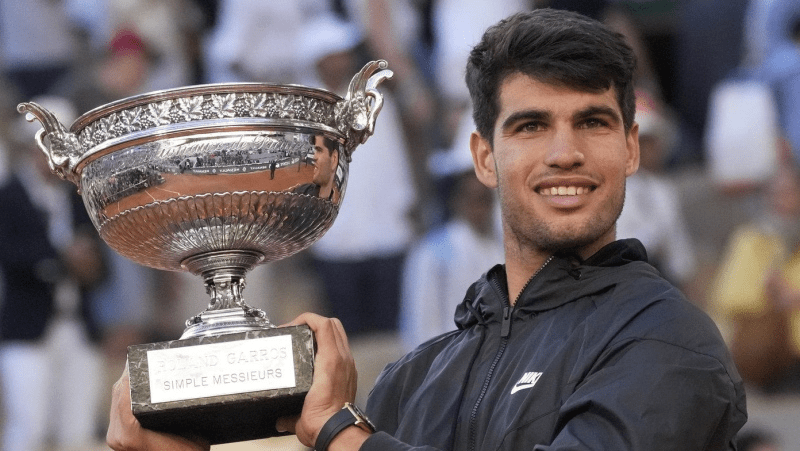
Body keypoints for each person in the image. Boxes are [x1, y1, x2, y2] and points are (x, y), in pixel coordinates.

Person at [106, 8, 747, 451]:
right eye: (530, 126)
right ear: (484, 157)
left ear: (631, 149)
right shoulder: (415, 377)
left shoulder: (667, 337)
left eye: (593, 122)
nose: (565, 153)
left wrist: (341, 435)